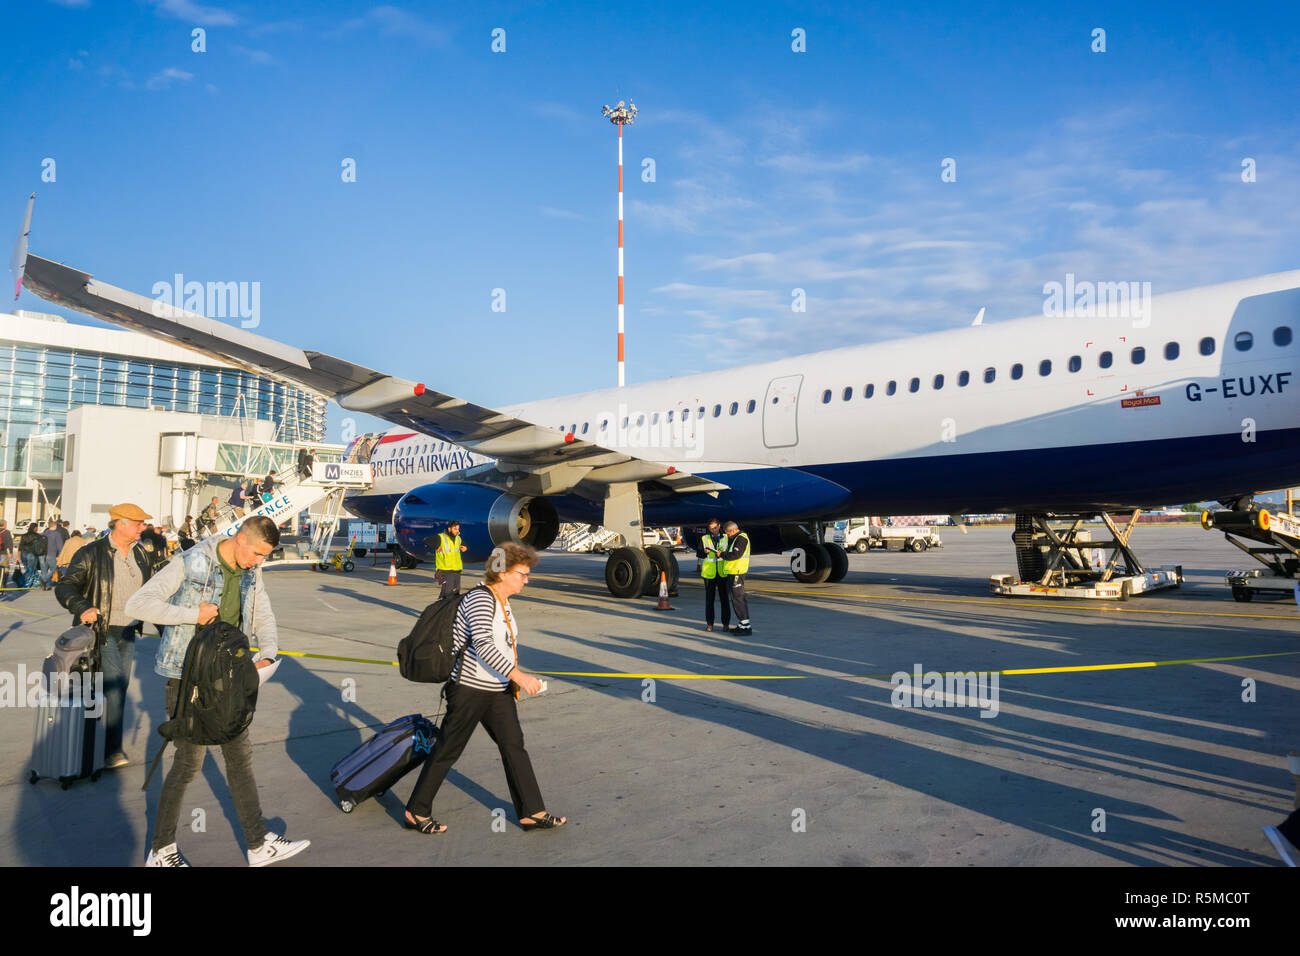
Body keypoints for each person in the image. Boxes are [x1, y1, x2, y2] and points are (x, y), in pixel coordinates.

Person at [125, 514, 310, 868]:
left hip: (228, 677)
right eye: (257, 553)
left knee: (240, 758)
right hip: (188, 678)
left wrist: (268, 653)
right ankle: (161, 851)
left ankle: (257, 844)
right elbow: (138, 605)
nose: (259, 562)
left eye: (265, 557)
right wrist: (191, 613)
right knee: (188, 765)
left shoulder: (252, 571)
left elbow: (263, 615)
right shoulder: (191, 561)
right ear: (240, 538)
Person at [404, 543, 566, 834]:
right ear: (502, 573)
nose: (526, 580)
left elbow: (502, 645)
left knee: (513, 745)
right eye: (523, 574)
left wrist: (509, 680)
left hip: (496, 690)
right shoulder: (481, 599)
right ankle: (416, 811)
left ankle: (532, 811)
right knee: (448, 749)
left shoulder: (502, 600)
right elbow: (484, 646)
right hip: (469, 689)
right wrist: (520, 677)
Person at [54, 503, 157, 769]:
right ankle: (110, 751)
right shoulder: (91, 553)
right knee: (113, 686)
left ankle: (97, 746)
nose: (142, 528)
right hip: (101, 631)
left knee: (116, 688)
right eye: (138, 523)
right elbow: (65, 586)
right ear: (120, 524)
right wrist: (83, 607)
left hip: (128, 630)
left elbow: (152, 593)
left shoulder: (142, 554)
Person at [697, 518, 731, 632]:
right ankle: (709, 624)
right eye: (711, 528)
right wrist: (704, 552)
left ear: (719, 526)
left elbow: (730, 553)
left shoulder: (726, 537)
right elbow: (699, 553)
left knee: (724, 600)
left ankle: (725, 624)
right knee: (709, 600)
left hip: (722, 573)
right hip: (709, 574)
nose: (714, 530)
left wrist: (722, 553)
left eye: (715, 528)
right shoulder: (704, 538)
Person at [720, 520, 752, 635]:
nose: (728, 536)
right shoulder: (736, 538)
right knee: (735, 599)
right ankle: (742, 624)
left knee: (738, 599)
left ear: (733, 530)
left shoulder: (741, 539)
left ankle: (746, 626)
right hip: (733, 572)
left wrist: (722, 555)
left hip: (737, 573)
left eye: (728, 533)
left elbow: (735, 555)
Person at [434, 520, 468, 599]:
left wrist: (465, 548)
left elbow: (464, 545)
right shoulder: (441, 537)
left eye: (458, 529)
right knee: (447, 593)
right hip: (445, 570)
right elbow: (427, 541)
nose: (457, 531)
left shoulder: (458, 539)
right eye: (455, 529)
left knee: (456, 593)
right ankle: (440, 609)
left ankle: (451, 610)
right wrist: (436, 546)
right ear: (449, 529)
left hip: (456, 570)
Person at [42, 518, 63, 587]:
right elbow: (60, 546)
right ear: (55, 526)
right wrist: (59, 556)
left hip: (43, 555)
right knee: (53, 570)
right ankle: (44, 580)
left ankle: (46, 585)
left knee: (44, 570)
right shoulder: (56, 534)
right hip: (52, 554)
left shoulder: (44, 534)